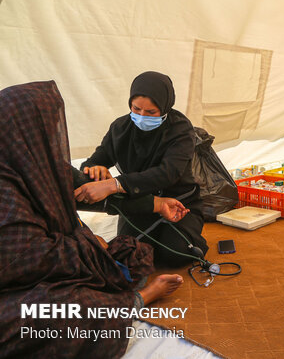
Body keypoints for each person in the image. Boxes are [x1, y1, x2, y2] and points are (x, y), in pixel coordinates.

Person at [0, 81, 185, 358]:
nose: (53, 134)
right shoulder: (5, 182)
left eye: (151, 112)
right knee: (54, 309)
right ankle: (137, 300)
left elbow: (88, 189)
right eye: (47, 126)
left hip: (174, 199)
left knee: (153, 252)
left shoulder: (39, 161)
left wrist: (156, 204)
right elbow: (25, 258)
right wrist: (89, 247)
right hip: (16, 277)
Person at [76, 71, 208, 267]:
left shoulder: (180, 130)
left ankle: (190, 236)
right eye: (136, 109)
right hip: (138, 204)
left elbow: (168, 173)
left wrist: (115, 184)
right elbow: (94, 161)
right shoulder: (120, 128)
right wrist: (95, 169)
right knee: (130, 254)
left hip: (179, 204)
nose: (141, 116)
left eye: (151, 112)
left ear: (165, 107)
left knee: (176, 254)